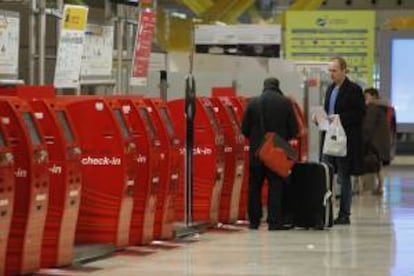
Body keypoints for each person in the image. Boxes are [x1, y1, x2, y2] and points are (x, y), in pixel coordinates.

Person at [241, 77, 298, 230]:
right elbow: (295, 130)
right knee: (276, 186)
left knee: (254, 186)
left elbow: (244, 129)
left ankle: (254, 221)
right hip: (277, 153)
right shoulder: (285, 103)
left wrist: (256, 138)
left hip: (257, 153)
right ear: (278, 87)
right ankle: (274, 221)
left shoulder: (253, 103)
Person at [321, 57, 365, 225]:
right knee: (327, 173)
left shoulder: (353, 89)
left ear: (344, 70)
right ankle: (326, 210)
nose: (331, 74)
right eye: (330, 70)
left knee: (344, 176)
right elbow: (329, 111)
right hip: (330, 137)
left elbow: (360, 113)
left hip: (345, 140)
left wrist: (339, 118)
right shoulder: (331, 89)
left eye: (334, 70)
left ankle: (344, 214)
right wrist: (322, 118)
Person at [362, 88, 391, 195]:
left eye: (366, 95)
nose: (365, 97)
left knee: (370, 165)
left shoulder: (372, 108)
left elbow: (368, 127)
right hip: (380, 143)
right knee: (377, 166)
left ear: (373, 96)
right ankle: (379, 187)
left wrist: (364, 140)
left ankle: (366, 188)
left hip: (374, 143)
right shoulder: (381, 107)